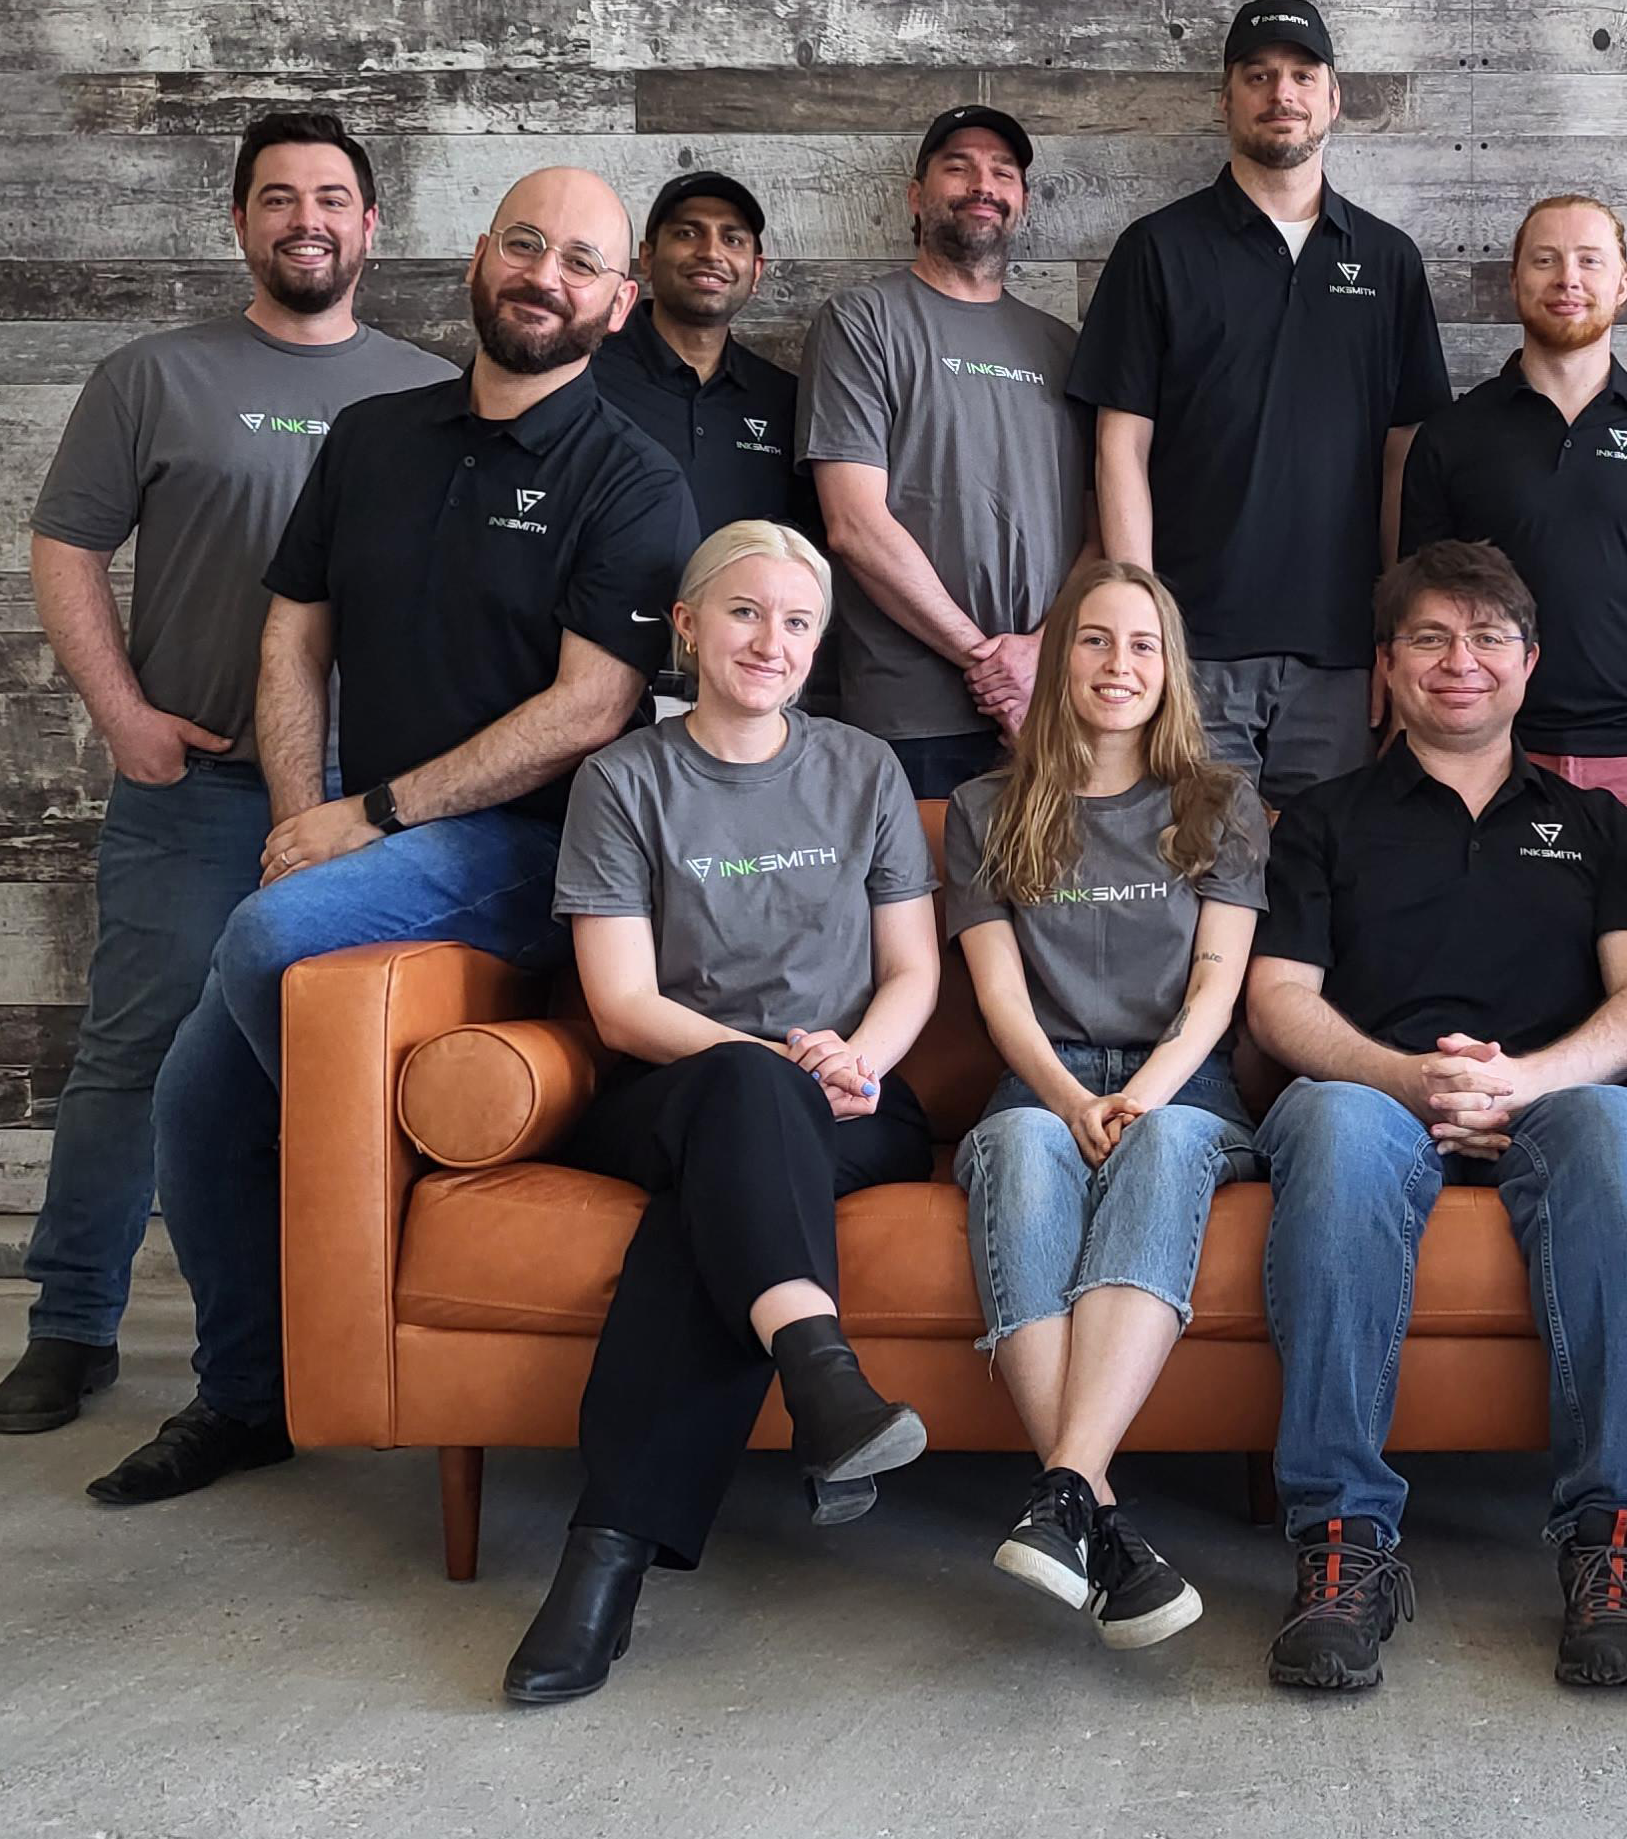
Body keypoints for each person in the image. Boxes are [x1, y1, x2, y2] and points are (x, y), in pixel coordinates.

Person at [88, 167, 699, 1507]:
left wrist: (361, 820)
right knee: (195, 1102)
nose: (545, 273)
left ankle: (359, 1180)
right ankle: (248, 1397)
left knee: (265, 938)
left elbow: (591, 704)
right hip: (371, 831)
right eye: (525, 243)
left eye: (580, 262)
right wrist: (303, 810)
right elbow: (294, 633)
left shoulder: (633, 476)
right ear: (480, 256)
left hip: (535, 855)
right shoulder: (373, 434)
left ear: (619, 300)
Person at [0, 113, 447, 1436]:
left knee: (351, 1069)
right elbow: (65, 543)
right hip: (193, 788)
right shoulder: (151, 375)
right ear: (240, 223)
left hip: (367, 807)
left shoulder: (429, 393)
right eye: (276, 197)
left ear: (371, 228)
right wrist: (119, 709)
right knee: (136, 1050)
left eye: (331, 197)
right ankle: (71, 1324)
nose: (305, 217)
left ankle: (320, 1344)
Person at [503, 521, 941, 1704]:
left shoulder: (863, 769)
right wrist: (771, 1062)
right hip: (669, 1087)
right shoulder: (625, 780)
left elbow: (911, 972)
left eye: (798, 622)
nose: (773, 641)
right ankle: (821, 1381)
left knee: (703, 1222)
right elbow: (624, 1006)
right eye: (746, 612)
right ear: (688, 626)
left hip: (850, 1098)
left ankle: (605, 1560)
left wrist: (857, 1059)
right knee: (744, 1096)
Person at [1245, 540, 1627, 1692]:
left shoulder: (1599, 825)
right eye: (1431, 638)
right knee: (1335, 1131)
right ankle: (1342, 1547)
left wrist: (1523, 1081)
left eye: (1489, 636)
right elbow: (1280, 1000)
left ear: (1530, 662)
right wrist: (1410, 1080)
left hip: (1552, 1093)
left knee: (1615, 1128)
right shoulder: (1321, 821)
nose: (1462, 661)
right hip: (1373, 1092)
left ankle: (1616, 1547)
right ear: (1386, 666)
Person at [944, 561, 1269, 1652]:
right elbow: (998, 993)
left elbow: (1218, 988)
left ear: (1170, 666)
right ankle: (1102, 1523)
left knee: (1168, 1140)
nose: (1118, 664)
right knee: (1022, 1148)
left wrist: (1138, 1093)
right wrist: (1073, 1094)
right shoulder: (990, 806)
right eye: (1093, 640)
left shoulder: (1220, 802)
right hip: (1043, 1076)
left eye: (1141, 644)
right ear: (1057, 659)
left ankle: (1067, 1490)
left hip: (1183, 1077)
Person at [1070, 0, 1451, 796]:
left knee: (1319, 893)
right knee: (1200, 890)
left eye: (1301, 75)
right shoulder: (1158, 249)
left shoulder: (1387, 261)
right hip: (1195, 649)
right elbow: (1120, 447)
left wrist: (1389, 635)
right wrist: (1143, 639)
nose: (1281, 93)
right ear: (1227, 100)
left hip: (1338, 657)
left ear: (1332, 97)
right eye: (1258, 76)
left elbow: (1399, 465)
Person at [1399, 194, 1627, 815]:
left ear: (1622, 285)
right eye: (1545, 260)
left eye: (1588, 261)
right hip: (1485, 756)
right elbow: (1417, 618)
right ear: (1514, 281)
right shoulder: (1451, 434)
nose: (1567, 279)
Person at [803, 107, 1088, 795]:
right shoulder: (861, 322)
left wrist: (1041, 657)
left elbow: (1102, 526)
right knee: (915, 904)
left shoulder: (1062, 347)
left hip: (1052, 706)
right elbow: (854, 526)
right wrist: (993, 668)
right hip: (910, 719)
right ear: (916, 195)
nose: (980, 184)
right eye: (957, 166)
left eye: (1002, 172)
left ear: (1020, 200)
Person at [591, 170, 813, 540]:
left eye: (733, 239)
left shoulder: (786, 400)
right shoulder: (583, 376)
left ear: (756, 271)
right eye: (687, 233)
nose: (711, 252)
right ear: (647, 257)